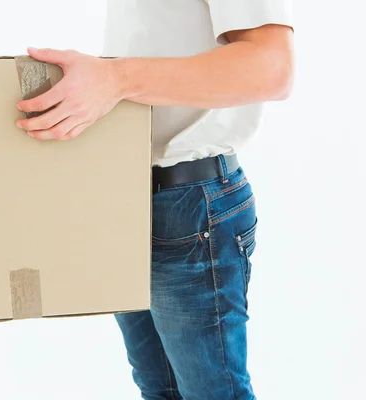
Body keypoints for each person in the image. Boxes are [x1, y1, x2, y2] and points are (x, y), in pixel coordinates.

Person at [15, 1, 294, 398]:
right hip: (126, 194)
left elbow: (273, 68)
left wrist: (115, 78)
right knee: (160, 390)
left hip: (194, 205)